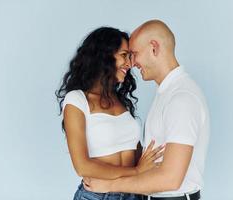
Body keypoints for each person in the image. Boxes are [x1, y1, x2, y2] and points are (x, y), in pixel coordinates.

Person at [83, 20, 210, 200]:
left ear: (154, 48)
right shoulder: (167, 94)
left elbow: (170, 178)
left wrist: (110, 186)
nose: (132, 63)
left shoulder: (181, 98)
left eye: (134, 54)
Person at [56, 27, 164, 200]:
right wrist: (136, 171)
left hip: (134, 194)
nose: (129, 64)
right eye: (124, 55)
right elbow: (82, 166)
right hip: (97, 195)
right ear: (103, 56)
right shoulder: (77, 100)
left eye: (130, 57)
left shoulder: (120, 100)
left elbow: (137, 154)